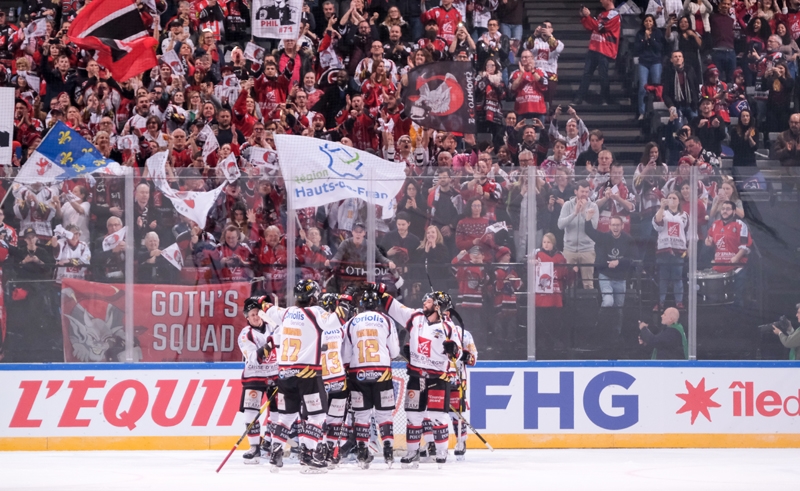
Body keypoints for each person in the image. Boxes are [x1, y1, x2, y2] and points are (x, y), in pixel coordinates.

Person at [261, 279, 346, 473]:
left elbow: (267, 308)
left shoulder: (287, 313)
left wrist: (262, 302)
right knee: (316, 416)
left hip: (285, 374)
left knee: (286, 417)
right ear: (314, 296)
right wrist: (346, 300)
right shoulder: (316, 313)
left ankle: (275, 453)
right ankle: (308, 455)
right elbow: (338, 319)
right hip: (308, 375)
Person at [378, 285, 462, 468]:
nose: (424, 303)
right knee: (413, 416)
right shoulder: (416, 317)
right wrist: (380, 293)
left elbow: (459, 353)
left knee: (437, 416)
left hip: (437, 379)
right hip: (416, 377)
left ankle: (441, 452)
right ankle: (412, 452)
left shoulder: (448, 327)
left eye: (429, 301)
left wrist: (454, 349)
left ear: (438, 306)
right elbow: (396, 308)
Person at [341, 289, 400, 468]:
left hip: (358, 374)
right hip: (382, 372)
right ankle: (388, 451)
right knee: (384, 414)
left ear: (361, 305)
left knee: (361, 415)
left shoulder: (351, 322)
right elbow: (395, 351)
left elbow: (345, 355)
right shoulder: (386, 320)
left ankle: (362, 452)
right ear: (377, 304)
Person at [236, 295, 279, 465]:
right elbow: (254, 359)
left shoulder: (273, 327)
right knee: (250, 412)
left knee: (277, 412)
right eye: (252, 315)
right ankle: (254, 447)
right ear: (247, 318)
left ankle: (271, 443)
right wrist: (271, 345)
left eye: (257, 313)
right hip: (254, 375)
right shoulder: (245, 334)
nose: (255, 317)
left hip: (275, 374)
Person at [584, 213, 637, 336]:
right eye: (613, 225)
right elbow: (589, 231)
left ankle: (616, 333)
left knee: (618, 307)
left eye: (618, 225)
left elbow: (634, 258)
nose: (615, 227)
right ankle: (600, 328)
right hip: (606, 276)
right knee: (608, 302)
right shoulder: (604, 237)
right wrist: (588, 218)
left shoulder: (628, 240)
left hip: (621, 278)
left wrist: (618, 262)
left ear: (622, 226)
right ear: (609, 226)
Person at [573, 0, 621, 106]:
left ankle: (605, 99)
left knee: (603, 75)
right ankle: (579, 98)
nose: (600, 1)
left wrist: (588, 16)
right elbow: (591, 27)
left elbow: (600, 28)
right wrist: (584, 17)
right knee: (586, 74)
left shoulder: (615, 15)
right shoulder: (601, 14)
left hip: (605, 48)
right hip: (594, 47)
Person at [557, 180, 599, 290]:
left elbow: (594, 227)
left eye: (587, 191)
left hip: (587, 249)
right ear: (576, 191)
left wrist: (584, 212)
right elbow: (560, 225)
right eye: (582, 191)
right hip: (569, 249)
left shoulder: (593, 206)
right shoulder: (567, 205)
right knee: (568, 283)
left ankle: (588, 301)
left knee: (588, 284)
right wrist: (575, 213)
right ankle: (568, 301)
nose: (584, 194)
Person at [652, 191, 689, 310]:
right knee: (663, 278)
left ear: (679, 201)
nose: (672, 200)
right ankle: (660, 302)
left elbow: (688, 233)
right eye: (670, 198)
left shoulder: (685, 216)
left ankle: (679, 302)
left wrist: (688, 248)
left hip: (678, 251)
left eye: (674, 198)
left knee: (677, 277)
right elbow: (657, 224)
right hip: (664, 251)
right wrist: (662, 207)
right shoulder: (663, 212)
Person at [705, 200, 752, 273]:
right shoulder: (715, 224)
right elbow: (709, 239)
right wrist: (708, 242)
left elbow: (745, 246)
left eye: (728, 209)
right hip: (718, 266)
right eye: (723, 209)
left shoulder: (740, 225)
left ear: (734, 212)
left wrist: (736, 258)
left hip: (736, 267)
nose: (725, 211)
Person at [633, 15, 666, 119]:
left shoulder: (658, 33)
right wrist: (644, 39)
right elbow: (636, 48)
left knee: (657, 87)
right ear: (643, 23)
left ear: (653, 23)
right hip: (644, 62)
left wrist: (650, 39)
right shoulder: (639, 33)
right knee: (643, 87)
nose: (648, 23)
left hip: (655, 61)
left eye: (650, 21)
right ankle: (642, 112)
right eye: (646, 21)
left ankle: (655, 111)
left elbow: (659, 48)